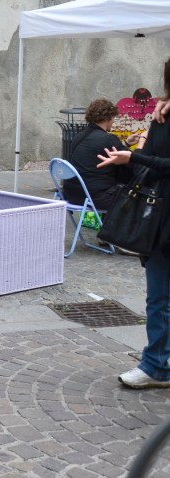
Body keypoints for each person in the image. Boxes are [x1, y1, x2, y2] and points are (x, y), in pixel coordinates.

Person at [97, 55, 170, 390]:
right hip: (161, 220)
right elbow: (156, 163)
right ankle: (156, 366)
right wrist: (143, 141)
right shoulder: (163, 116)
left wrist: (134, 155)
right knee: (158, 298)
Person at [62, 98, 133, 210]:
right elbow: (135, 161)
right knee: (138, 197)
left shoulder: (79, 137)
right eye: (113, 118)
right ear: (109, 117)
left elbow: (97, 153)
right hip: (97, 198)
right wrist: (142, 142)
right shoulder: (109, 139)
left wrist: (127, 143)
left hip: (72, 195)